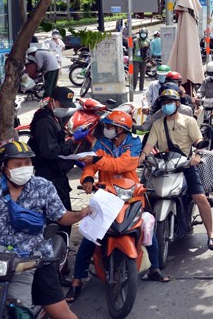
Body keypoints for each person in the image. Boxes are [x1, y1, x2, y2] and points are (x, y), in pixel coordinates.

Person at [0, 142, 92, 319]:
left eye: (27, 163)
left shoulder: (43, 186)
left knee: (62, 314)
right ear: (4, 167)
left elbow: (60, 216)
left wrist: (79, 215)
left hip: (37, 259)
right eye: (17, 165)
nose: (24, 168)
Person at [66, 110, 170, 302]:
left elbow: (123, 165)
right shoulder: (101, 143)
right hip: (105, 195)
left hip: (131, 195)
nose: (107, 129)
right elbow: (91, 163)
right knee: (90, 235)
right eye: (106, 126)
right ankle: (77, 280)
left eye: (110, 126)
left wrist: (97, 161)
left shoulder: (134, 143)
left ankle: (154, 267)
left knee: (147, 228)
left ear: (121, 130)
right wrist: (88, 177)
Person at [142, 90, 213, 251]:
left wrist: (197, 155)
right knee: (144, 195)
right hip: (163, 165)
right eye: (163, 103)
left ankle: (211, 234)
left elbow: (198, 140)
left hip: (185, 164)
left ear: (177, 103)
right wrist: (141, 157)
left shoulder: (189, 121)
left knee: (200, 197)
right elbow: (149, 146)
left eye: (169, 102)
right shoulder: (157, 124)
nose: (166, 106)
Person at [28, 86, 77, 236]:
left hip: (58, 174)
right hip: (48, 175)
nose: (65, 108)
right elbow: (50, 152)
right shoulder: (44, 121)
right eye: (63, 105)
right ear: (52, 101)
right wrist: (72, 141)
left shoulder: (54, 117)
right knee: (57, 218)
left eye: (67, 105)